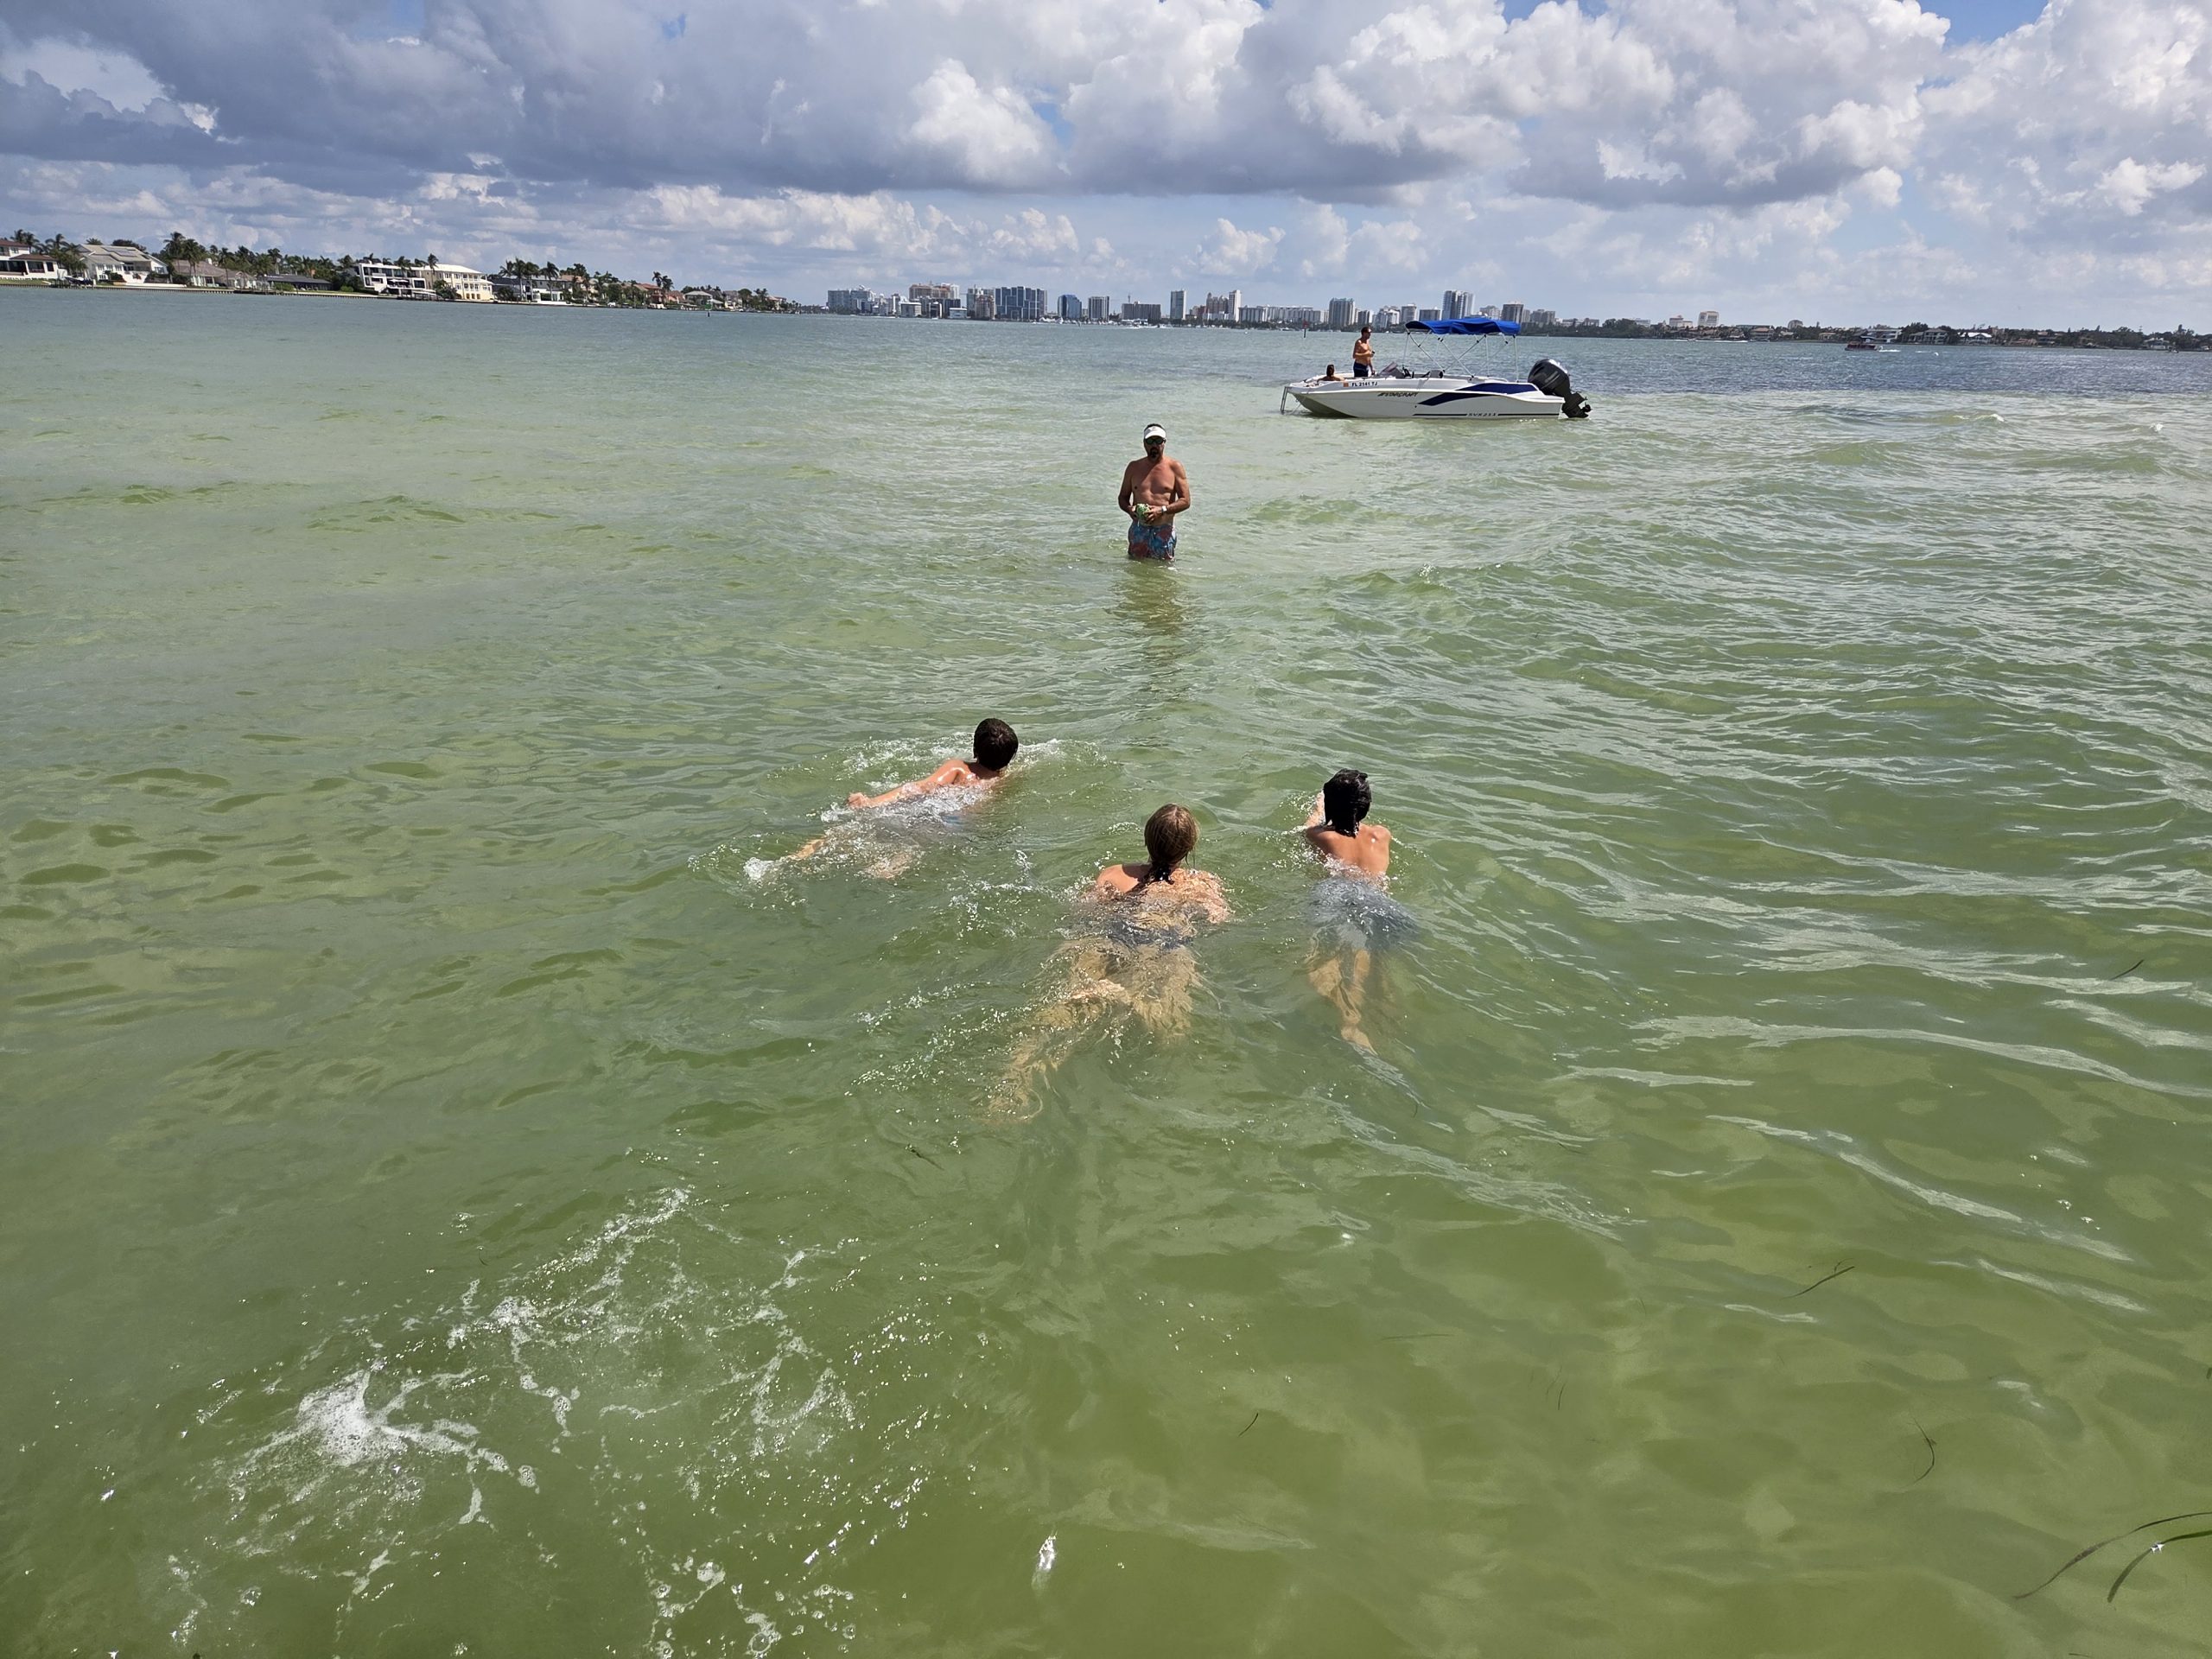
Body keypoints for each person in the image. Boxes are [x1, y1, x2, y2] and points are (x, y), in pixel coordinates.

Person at [991, 804, 1230, 1118]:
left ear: (1146, 839)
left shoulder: (1114, 874)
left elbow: (1082, 911)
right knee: (1173, 1033)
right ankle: (1124, 997)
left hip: (1110, 939)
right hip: (1165, 948)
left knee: (1057, 1014)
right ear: (1190, 847)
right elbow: (1219, 919)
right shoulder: (1203, 883)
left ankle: (1015, 1075)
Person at [785, 718, 1019, 873]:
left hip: (926, 808)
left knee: (847, 833)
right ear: (1009, 759)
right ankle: (891, 867)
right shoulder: (1001, 782)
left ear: (975, 749)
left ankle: (798, 857)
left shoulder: (958, 768)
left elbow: (921, 787)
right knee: (915, 845)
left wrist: (871, 802)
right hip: (953, 825)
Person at [1301, 769, 1414, 1052]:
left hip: (1340, 894)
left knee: (1330, 956)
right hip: (1380, 902)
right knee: (1370, 955)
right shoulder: (1383, 835)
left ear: (1332, 806)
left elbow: (1307, 828)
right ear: (1366, 806)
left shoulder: (1321, 837)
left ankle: (1349, 1021)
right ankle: (1381, 1006)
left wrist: (1318, 807)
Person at [1119, 424, 1190, 563]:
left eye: (1158, 441)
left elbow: (1186, 501)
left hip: (1164, 530)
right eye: (1150, 441)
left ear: (1164, 442)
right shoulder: (1133, 467)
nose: (1154, 445)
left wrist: (1162, 510)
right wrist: (1129, 509)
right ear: (1144, 443)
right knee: (1134, 568)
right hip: (1139, 529)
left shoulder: (1175, 467)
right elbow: (1123, 497)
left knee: (1163, 571)